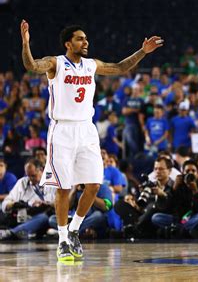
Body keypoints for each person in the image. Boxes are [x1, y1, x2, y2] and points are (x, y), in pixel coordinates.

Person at [20, 20, 163, 261]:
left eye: (86, 38)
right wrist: (26, 43)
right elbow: (32, 65)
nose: (85, 42)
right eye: (80, 39)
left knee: (95, 184)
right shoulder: (56, 64)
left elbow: (118, 68)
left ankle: (74, 230)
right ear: (68, 43)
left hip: (87, 129)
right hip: (62, 130)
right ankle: (63, 239)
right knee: (64, 188)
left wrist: (143, 52)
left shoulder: (91, 65)